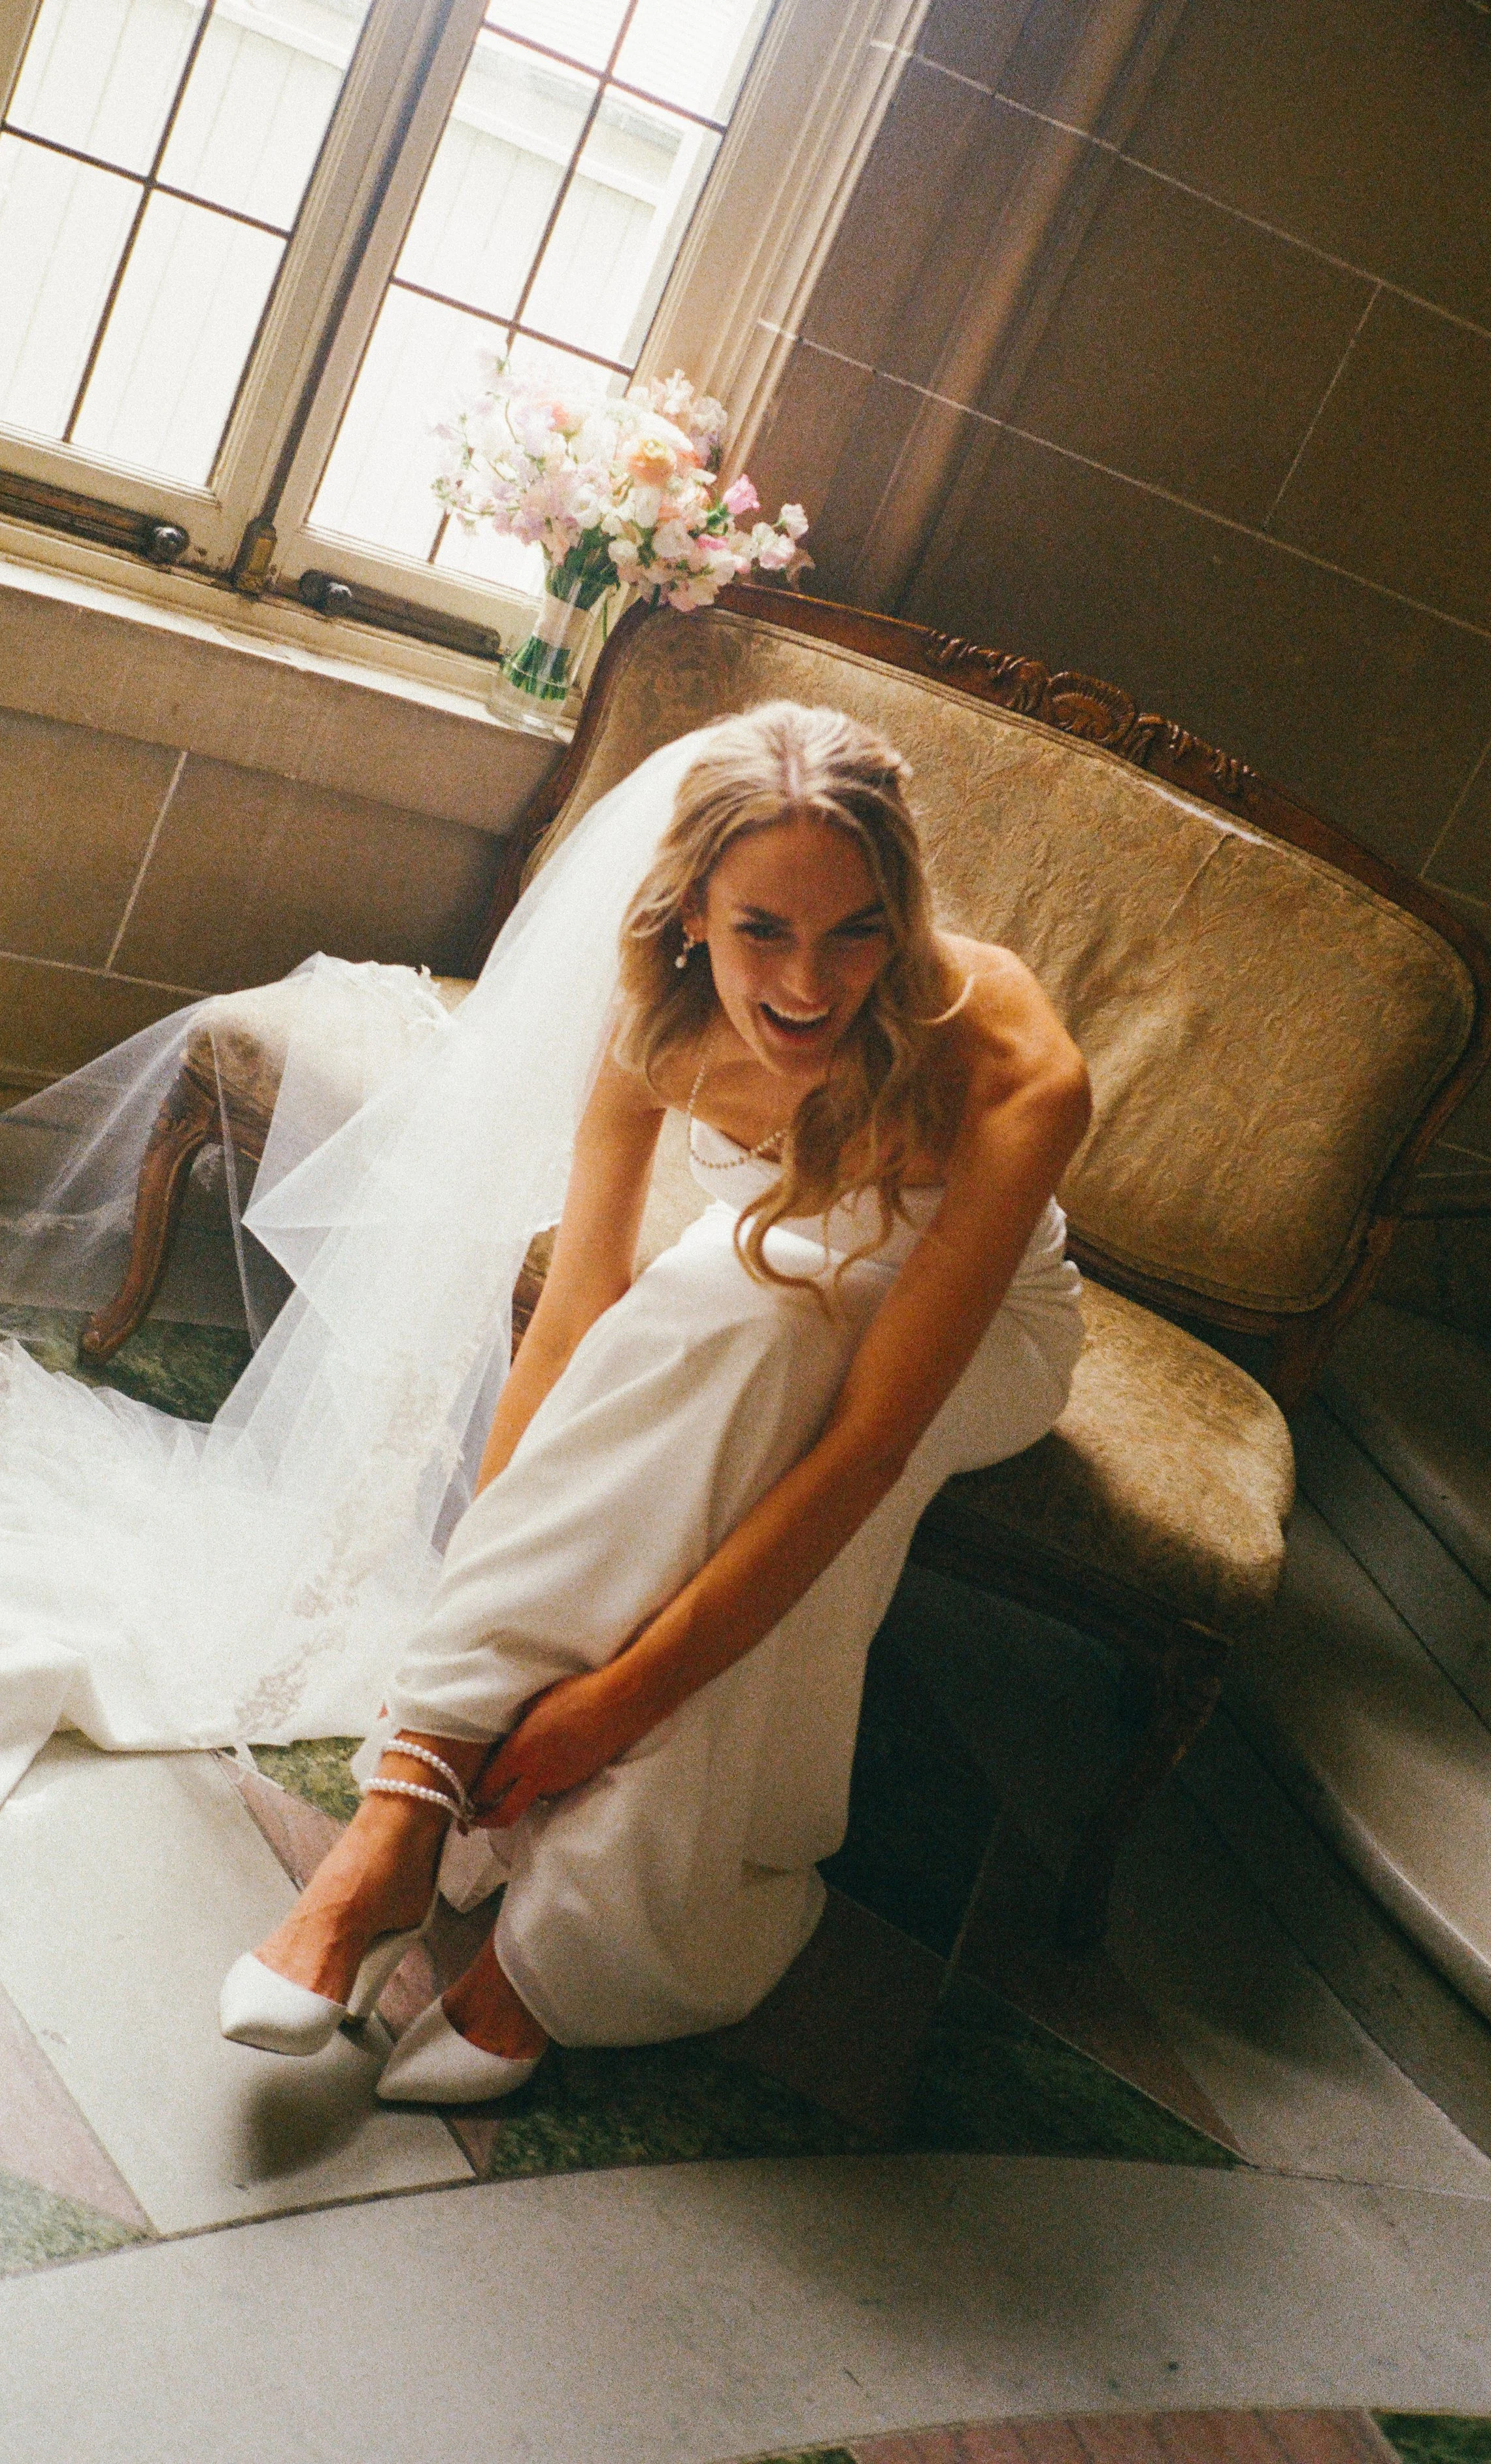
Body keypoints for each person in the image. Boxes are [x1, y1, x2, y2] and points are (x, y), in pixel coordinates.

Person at [218, 700, 1090, 2104]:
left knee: (760, 1345)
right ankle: (402, 1817)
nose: (808, 984)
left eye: (854, 930)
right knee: (726, 1322)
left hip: (984, 1334)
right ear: (691, 910)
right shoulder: (655, 1029)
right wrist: (490, 1611)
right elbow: (570, 1323)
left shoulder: (1015, 1069)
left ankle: (559, 1946)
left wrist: (612, 1703)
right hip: (776, 1282)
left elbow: (869, 1446)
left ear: (902, 912)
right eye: (762, 930)